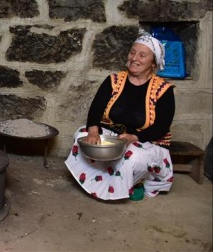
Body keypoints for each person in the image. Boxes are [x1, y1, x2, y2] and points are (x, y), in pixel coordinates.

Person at [65, 33, 175, 200]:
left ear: (153, 63)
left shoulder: (164, 90)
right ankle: (98, 183)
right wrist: (93, 132)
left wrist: (133, 137)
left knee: (133, 157)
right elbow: (95, 110)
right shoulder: (113, 80)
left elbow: (161, 126)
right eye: (132, 52)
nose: (134, 58)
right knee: (82, 135)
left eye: (142, 55)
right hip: (114, 136)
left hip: (145, 140)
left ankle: (134, 182)